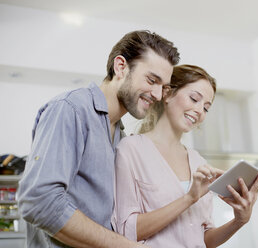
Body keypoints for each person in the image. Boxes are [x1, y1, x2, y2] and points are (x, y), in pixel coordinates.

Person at [17, 30, 180, 248]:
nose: (158, 95)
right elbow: (39, 202)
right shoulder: (71, 109)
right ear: (120, 67)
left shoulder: (119, 135)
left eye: (164, 87)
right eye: (152, 80)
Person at [111, 64, 258, 247]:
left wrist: (239, 221)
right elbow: (126, 231)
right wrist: (189, 198)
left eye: (206, 108)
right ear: (167, 93)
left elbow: (204, 239)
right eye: (194, 99)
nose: (200, 111)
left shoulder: (198, 161)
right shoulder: (131, 150)